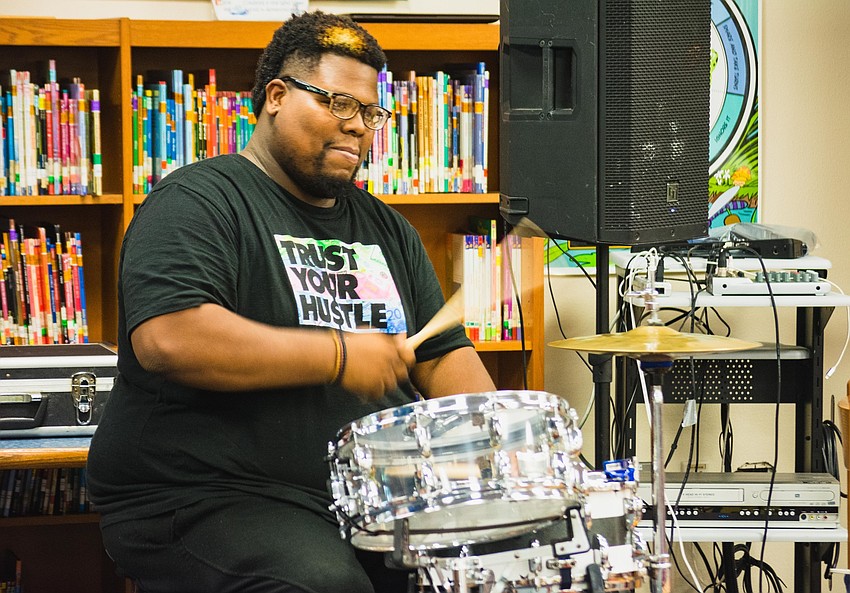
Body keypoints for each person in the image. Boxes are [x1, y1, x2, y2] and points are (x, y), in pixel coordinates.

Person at [86, 11, 496, 593]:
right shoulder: (198, 201)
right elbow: (170, 339)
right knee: (325, 586)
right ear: (277, 96)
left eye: (370, 113)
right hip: (205, 497)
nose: (358, 127)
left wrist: (519, 444)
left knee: (490, 567)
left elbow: (443, 358)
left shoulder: (387, 228)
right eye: (339, 104)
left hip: (364, 499)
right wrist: (338, 355)